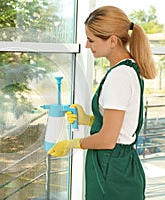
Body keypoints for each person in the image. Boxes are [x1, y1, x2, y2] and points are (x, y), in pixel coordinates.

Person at [48, 5, 157, 200]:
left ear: (113, 41)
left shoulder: (119, 76)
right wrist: (88, 120)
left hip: (111, 169)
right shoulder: (130, 68)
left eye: (91, 40)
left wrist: (72, 144)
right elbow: (121, 126)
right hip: (122, 165)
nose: (87, 46)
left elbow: (108, 140)